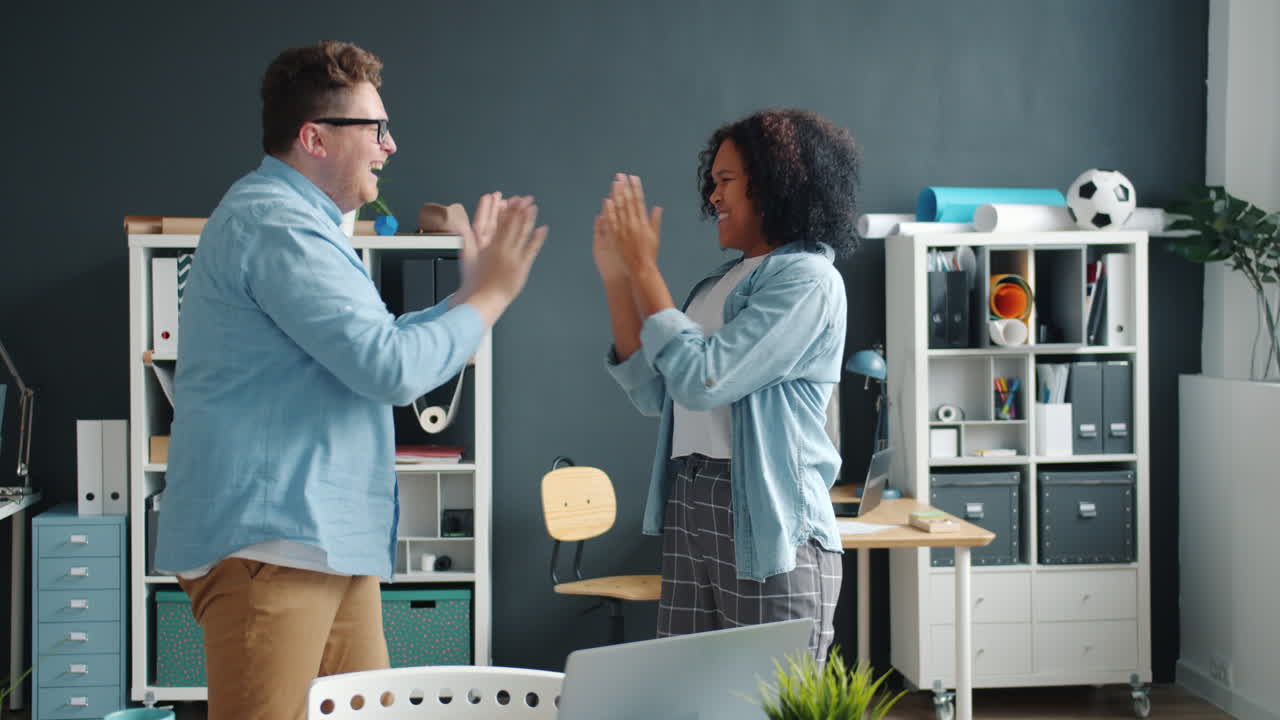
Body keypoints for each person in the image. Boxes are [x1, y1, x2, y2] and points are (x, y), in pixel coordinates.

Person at [153, 40, 546, 720]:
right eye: (377, 128)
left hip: (322, 547)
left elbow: (374, 342)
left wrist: (469, 297)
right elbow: (390, 368)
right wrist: (491, 299)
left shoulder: (307, 225)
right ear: (315, 137)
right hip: (272, 549)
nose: (390, 146)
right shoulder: (276, 224)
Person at [595, 108, 860, 661]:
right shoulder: (716, 286)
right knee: (690, 693)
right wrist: (621, 278)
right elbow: (655, 393)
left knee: (767, 701)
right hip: (692, 496)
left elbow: (703, 378)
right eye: (711, 182)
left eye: (726, 181)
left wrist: (646, 269)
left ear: (777, 181)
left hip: (770, 524)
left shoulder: (809, 280)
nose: (712, 196)